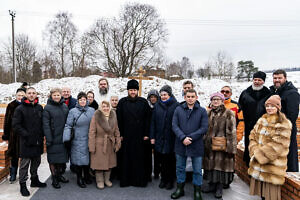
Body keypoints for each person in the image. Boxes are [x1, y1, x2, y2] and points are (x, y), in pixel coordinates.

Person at [248, 95, 292, 200]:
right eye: (267, 106)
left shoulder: (283, 124)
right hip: (259, 163)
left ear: (278, 108)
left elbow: (278, 145)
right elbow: (252, 136)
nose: (269, 108)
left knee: (271, 195)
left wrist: (259, 155)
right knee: (262, 194)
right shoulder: (262, 120)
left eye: (272, 106)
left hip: (272, 166)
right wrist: (253, 150)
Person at [171, 89, 208, 200]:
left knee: (197, 170)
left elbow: (204, 128)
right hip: (180, 143)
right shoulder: (178, 109)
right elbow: (174, 125)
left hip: (196, 144)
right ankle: (180, 189)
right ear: (185, 97)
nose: (190, 98)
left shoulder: (202, 111)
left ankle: (197, 191)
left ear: (196, 97)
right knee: (180, 168)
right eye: (188, 96)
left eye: (192, 96)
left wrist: (191, 138)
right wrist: (183, 137)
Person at [12, 87, 47, 196]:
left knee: (36, 162)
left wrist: (42, 134)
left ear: (36, 94)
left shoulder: (40, 108)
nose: (31, 95)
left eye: (33, 93)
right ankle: (23, 185)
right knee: (24, 165)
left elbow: (42, 123)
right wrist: (26, 135)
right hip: (26, 141)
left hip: (37, 141)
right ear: (26, 95)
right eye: (29, 93)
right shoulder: (20, 109)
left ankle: (34, 180)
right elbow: (16, 125)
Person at [116, 79, 151, 187]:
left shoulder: (143, 102)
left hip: (139, 136)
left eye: (135, 90)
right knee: (126, 158)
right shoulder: (122, 102)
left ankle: (139, 180)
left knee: (139, 159)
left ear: (137, 91)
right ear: (128, 90)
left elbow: (148, 119)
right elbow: (119, 119)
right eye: (131, 90)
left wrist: (146, 133)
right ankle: (126, 180)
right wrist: (120, 134)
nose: (133, 92)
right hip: (126, 136)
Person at [202, 92, 237, 199]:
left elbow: (231, 132)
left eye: (218, 99)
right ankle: (212, 184)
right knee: (211, 166)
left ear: (222, 101)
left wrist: (230, 148)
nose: (215, 101)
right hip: (209, 145)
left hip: (222, 146)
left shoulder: (228, 113)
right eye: (213, 99)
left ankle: (219, 187)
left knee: (220, 167)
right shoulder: (207, 113)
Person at [238, 71, 271, 167]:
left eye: (259, 80)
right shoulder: (245, 93)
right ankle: (249, 166)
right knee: (250, 146)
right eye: (255, 79)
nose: (256, 82)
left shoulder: (268, 94)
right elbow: (240, 109)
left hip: (264, 126)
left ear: (263, 81)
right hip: (249, 125)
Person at [269, 69, 299, 172]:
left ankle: (291, 175)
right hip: (275, 129)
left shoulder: (291, 93)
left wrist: (282, 127)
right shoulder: (276, 91)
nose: (277, 80)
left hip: (287, 130)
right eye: (275, 78)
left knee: (289, 156)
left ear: (285, 78)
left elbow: (292, 115)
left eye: (279, 78)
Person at [63, 92, 95, 188]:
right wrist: (66, 138)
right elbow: (68, 125)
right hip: (77, 138)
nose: (82, 101)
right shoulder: (73, 111)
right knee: (79, 159)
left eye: (84, 100)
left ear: (87, 100)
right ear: (78, 101)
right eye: (80, 100)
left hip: (89, 137)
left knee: (87, 158)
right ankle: (79, 177)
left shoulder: (92, 110)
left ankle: (86, 175)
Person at [150, 85, 179, 190]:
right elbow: (153, 122)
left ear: (169, 95)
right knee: (161, 160)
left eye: (165, 94)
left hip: (171, 138)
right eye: (161, 95)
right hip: (160, 137)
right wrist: (152, 136)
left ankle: (170, 180)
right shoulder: (157, 106)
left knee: (170, 160)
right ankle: (163, 179)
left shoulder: (176, 106)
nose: (163, 97)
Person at [89, 101, 121, 189]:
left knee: (109, 164)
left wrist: (118, 143)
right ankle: (100, 181)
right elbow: (92, 132)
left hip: (110, 143)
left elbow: (116, 131)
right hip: (99, 143)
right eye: (103, 106)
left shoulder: (113, 116)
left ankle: (107, 180)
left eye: (107, 106)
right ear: (100, 107)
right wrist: (92, 146)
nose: (106, 108)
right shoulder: (96, 116)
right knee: (99, 164)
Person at [43, 88, 69, 189]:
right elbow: (46, 125)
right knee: (53, 160)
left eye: (58, 95)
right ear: (51, 96)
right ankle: (54, 178)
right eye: (54, 95)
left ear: (61, 95)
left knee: (61, 159)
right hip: (53, 138)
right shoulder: (47, 108)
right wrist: (49, 139)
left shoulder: (64, 106)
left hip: (63, 138)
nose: (56, 97)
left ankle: (59, 175)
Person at [2, 88, 25, 183]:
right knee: (14, 155)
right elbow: (7, 121)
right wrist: (6, 136)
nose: (20, 97)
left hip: (24, 134)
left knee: (24, 156)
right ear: (16, 96)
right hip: (13, 135)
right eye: (19, 95)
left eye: (22, 95)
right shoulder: (11, 105)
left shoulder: (27, 105)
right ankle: (13, 173)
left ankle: (23, 174)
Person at [147, 89, 161, 179]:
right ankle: (148, 172)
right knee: (148, 154)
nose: (153, 99)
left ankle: (157, 172)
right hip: (148, 133)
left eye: (154, 97)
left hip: (157, 134)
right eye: (151, 97)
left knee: (157, 155)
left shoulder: (160, 107)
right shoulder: (147, 107)